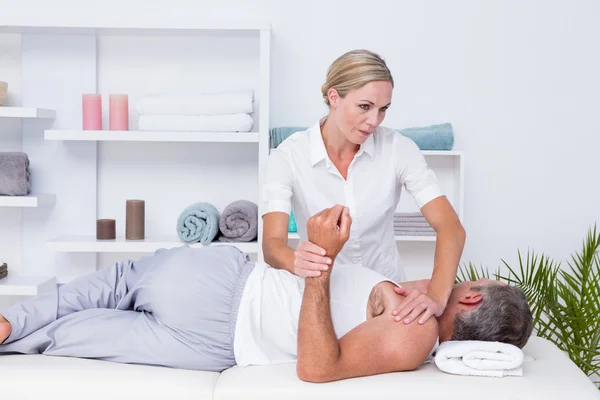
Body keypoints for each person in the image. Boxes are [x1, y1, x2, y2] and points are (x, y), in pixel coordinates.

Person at [0, 205, 532, 383]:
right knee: (75, 329)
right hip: (223, 301)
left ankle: (12, 323)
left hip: (220, 310)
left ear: (471, 301)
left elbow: (318, 368)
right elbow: (445, 242)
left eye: (477, 283)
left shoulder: (415, 337)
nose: (465, 279)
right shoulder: (420, 303)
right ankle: (13, 327)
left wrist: (319, 261)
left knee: (95, 301)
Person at [261, 49, 466, 327]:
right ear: (334, 97)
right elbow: (272, 246)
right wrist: (297, 260)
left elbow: (450, 227)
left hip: (387, 301)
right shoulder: (288, 156)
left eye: (383, 109)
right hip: (322, 302)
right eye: (364, 106)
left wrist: (438, 297)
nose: (374, 120)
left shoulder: (398, 149)